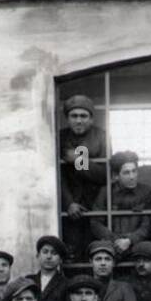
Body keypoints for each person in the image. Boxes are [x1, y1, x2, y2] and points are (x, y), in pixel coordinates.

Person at [58, 95, 108, 260]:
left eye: (83, 116)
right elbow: (56, 176)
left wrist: (79, 160)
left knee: (96, 252)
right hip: (67, 207)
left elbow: (104, 175)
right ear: (67, 118)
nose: (79, 121)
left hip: (95, 204)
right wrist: (69, 202)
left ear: (92, 119)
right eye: (74, 116)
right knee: (70, 254)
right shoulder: (60, 137)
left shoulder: (101, 136)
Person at [92, 151, 151, 255]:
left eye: (134, 171)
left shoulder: (146, 192)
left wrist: (129, 240)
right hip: (111, 246)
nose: (132, 176)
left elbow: (147, 225)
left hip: (138, 246)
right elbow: (96, 223)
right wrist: (114, 241)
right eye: (126, 172)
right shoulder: (106, 192)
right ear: (115, 176)